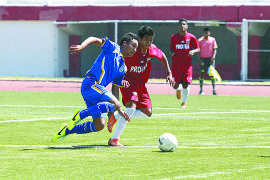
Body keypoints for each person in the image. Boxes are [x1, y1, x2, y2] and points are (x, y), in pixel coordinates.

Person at [52, 32, 139, 142]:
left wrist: (117, 110)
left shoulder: (123, 68)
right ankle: (80, 114)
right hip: (91, 84)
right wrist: (82, 46)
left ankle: (66, 130)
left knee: (99, 125)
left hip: (97, 92)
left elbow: (115, 89)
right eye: (133, 46)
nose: (135, 50)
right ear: (125, 43)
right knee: (116, 103)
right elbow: (94, 39)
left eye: (136, 48)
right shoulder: (113, 47)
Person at [107, 26, 175, 146]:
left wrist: (169, 73)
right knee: (131, 107)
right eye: (146, 40)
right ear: (139, 39)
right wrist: (119, 78)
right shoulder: (132, 50)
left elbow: (162, 55)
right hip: (128, 81)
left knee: (147, 112)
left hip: (140, 83)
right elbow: (118, 61)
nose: (149, 43)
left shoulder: (151, 49)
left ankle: (116, 115)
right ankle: (114, 139)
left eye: (151, 40)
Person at [170, 18, 200, 108]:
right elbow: (171, 49)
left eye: (184, 24)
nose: (182, 26)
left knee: (186, 83)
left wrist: (193, 51)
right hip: (176, 64)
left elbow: (198, 48)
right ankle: (178, 89)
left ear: (187, 26)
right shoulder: (174, 37)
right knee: (175, 85)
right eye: (181, 24)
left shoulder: (191, 37)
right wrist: (171, 53)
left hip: (187, 64)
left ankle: (184, 102)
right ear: (178, 26)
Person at [197, 27, 218, 95]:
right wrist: (200, 60)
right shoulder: (200, 40)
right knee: (202, 74)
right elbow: (197, 51)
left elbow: (214, 49)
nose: (206, 34)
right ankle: (201, 90)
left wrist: (213, 57)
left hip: (210, 60)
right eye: (205, 33)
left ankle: (214, 90)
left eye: (207, 33)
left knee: (212, 75)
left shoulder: (212, 40)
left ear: (209, 33)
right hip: (203, 59)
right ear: (203, 33)